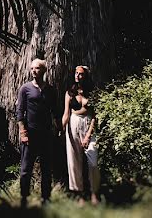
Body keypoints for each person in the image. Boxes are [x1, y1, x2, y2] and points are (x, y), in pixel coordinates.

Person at [15, 58, 61, 208]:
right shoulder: (25, 89)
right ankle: (24, 198)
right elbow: (20, 111)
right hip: (30, 134)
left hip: (46, 134)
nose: (34, 71)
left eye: (37, 68)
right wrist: (23, 132)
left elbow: (55, 112)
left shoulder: (51, 90)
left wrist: (59, 128)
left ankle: (46, 198)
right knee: (25, 168)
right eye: (32, 68)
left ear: (43, 70)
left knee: (46, 168)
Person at [61, 65, 100, 204]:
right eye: (76, 73)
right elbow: (66, 113)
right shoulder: (69, 93)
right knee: (74, 161)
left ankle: (94, 193)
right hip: (73, 123)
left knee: (93, 161)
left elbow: (96, 115)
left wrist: (89, 134)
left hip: (88, 123)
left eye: (81, 74)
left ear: (86, 76)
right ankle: (80, 195)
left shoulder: (92, 92)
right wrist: (62, 128)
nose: (77, 75)